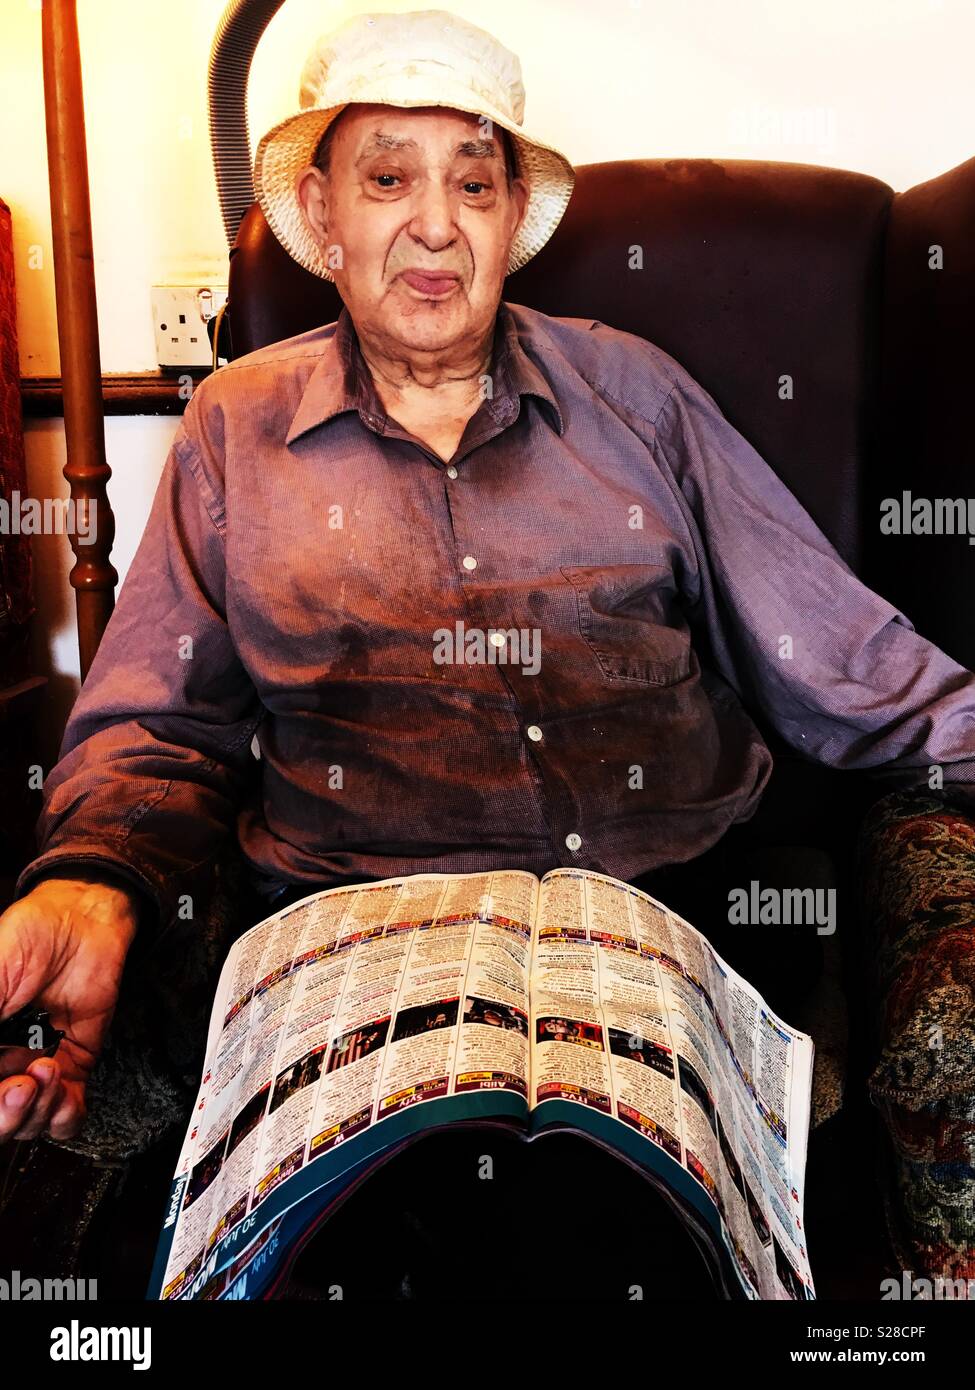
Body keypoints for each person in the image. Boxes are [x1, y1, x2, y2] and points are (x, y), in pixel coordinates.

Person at [2, 7, 974, 1150]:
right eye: (386, 178)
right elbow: (152, 722)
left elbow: (837, 653)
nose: (434, 227)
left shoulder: (634, 392)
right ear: (319, 211)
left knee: (621, 1201)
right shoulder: (233, 429)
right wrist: (89, 876)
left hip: (663, 914)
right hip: (353, 944)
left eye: (473, 185)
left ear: (513, 217)